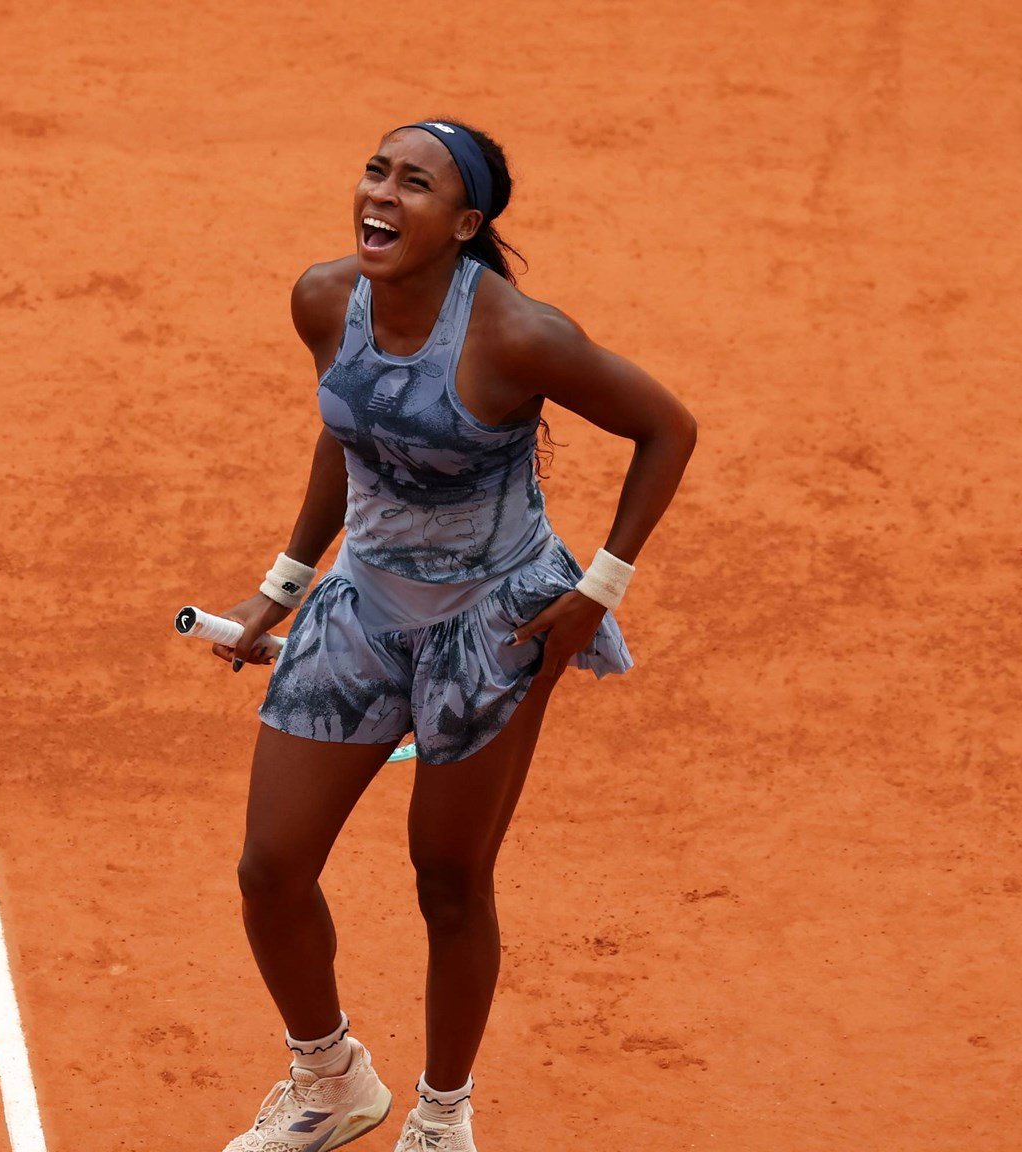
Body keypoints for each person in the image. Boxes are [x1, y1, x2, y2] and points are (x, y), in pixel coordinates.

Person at [210, 119, 698, 1152]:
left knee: (446, 877)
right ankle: (329, 1078)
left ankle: (440, 1119)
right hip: (362, 610)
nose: (380, 194)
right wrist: (282, 585)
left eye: (414, 184)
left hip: (495, 624)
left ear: (464, 222)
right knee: (269, 868)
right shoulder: (321, 299)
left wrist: (596, 590)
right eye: (374, 171)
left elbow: (667, 428)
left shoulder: (519, 335)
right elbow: (349, 430)